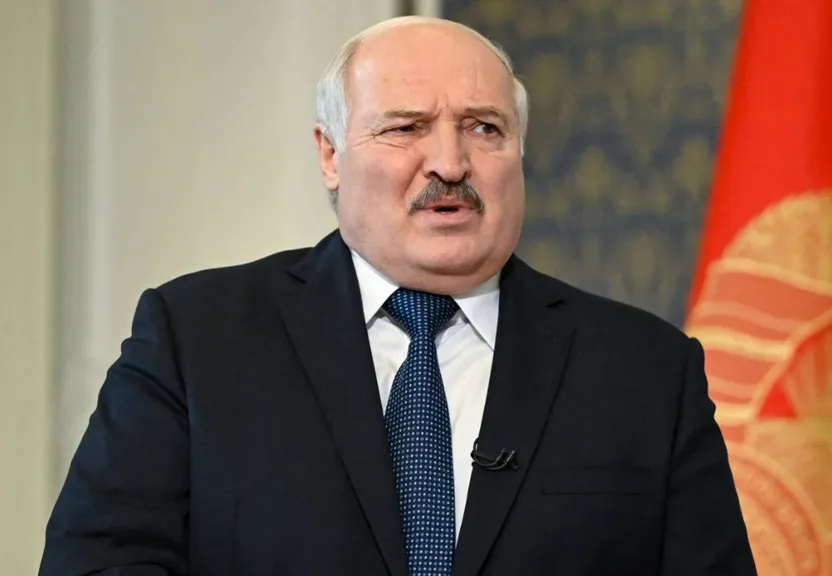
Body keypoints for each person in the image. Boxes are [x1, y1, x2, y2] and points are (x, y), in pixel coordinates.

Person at [39, 15, 757, 576]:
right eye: (406, 128)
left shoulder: (645, 371)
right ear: (330, 152)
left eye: (484, 128)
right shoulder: (197, 340)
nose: (448, 162)